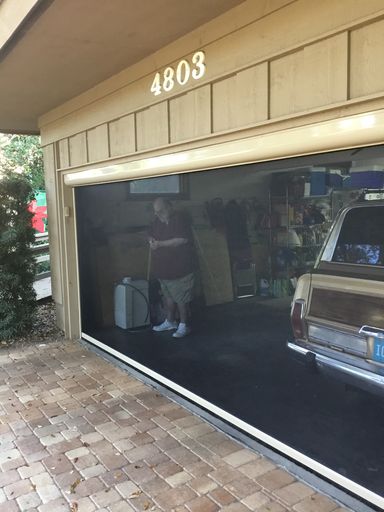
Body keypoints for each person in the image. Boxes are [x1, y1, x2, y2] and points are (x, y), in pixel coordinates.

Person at [148, 198, 195, 338]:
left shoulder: (181, 219)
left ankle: (184, 325)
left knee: (182, 298)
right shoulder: (157, 220)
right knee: (168, 296)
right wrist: (150, 240)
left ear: (169, 207)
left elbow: (182, 239)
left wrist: (160, 244)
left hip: (181, 267)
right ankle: (170, 321)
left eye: (160, 211)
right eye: (156, 212)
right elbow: (149, 233)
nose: (158, 214)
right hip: (164, 268)